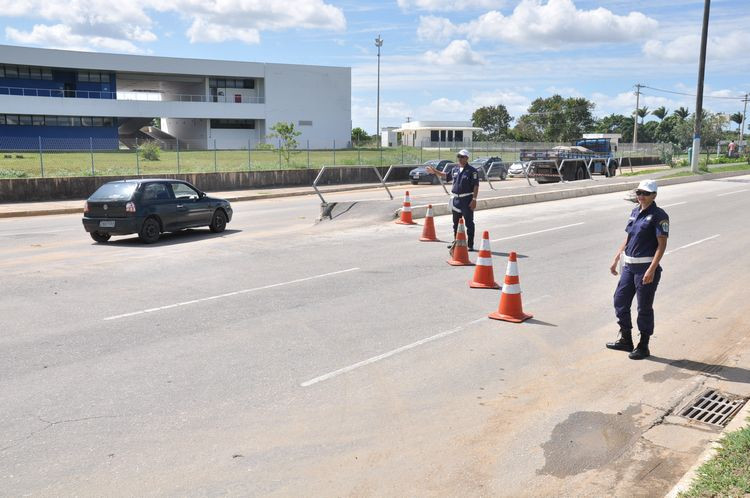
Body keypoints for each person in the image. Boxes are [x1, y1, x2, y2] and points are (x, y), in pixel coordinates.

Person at [607, 179, 669, 360]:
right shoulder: (635, 212)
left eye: (645, 193)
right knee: (620, 300)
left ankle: (644, 345)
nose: (641, 196)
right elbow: (629, 237)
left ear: (654, 195)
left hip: (645, 268)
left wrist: (651, 269)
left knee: (644, 307)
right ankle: (626, 339)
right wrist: (617, 256)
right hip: (629, 266)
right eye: (639, 193)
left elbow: (661, 245)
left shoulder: (659, 215)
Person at [426, 149, 479, 250]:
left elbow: (476, 186)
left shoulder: (472, 171)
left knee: (469, 223)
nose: (459, 158)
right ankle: (456, 241)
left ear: (467, 158)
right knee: (456, 223)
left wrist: (474, 199)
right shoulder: (455, 169)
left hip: (467, 199)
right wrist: (435, 172)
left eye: (462, 157)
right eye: (458, 156)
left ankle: (470, 244)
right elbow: (446, 175)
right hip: (456, 200)